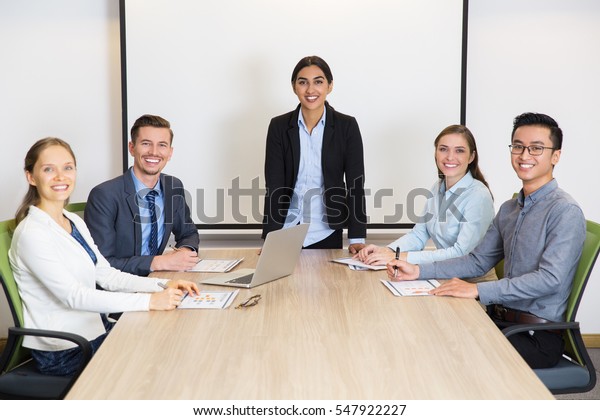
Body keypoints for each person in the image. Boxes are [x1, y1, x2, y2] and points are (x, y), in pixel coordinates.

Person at [387, 113, 586, 369]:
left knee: (445, 352)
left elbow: (550, 279)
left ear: (555, 156)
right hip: (503, 321)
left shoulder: (564, 211)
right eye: (518, 146)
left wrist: (479, 290)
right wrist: (417, 270)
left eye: (536, 148)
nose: (525, 155)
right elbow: (477, 261)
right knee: (423, 330)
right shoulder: (509, 209)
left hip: (535, 336)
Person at [9, 138, 199, 376]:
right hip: (67, 350)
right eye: (49, 169)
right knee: (163, 362)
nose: (60, 176)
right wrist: (149, 301)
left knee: (175, 343)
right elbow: (74, 297)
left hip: (97, 332)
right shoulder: (32, 234)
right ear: (31, 177)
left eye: (67, 168)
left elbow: (106, 275)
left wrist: (163, 284)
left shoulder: (72, 220)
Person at [354, 125, 495, 278]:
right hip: (444, 276)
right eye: (443, 149)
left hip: (471, 285)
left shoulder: (478, 196)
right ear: (436, 153)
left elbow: (461, 253)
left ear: (471, 157)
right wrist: (388, 251)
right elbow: (419, 234)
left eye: (459, 150)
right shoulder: (438, 187)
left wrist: (400, 257)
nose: (450, 157)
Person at [262, 56, 367, 251]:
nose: (310, 90)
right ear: (294, 87)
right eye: (303, 82)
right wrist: (270, 237)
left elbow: (356, 185)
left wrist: (356, 238)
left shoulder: (347, 126)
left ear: (330, 85)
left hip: (326, 231)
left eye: (318, 82)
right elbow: (274, 186)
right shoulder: (278, 126)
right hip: (285, 231)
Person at [85, 114, 199, 276]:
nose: (154, 152)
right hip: (120, 287)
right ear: (132, 148)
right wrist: (159, 262)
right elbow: (102, 263)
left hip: (159, 278)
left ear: (170, 152)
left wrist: (184, 252)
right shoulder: (104, 195)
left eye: (162, 145)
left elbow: (188, 233)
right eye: (146, 144)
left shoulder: (173, 186)